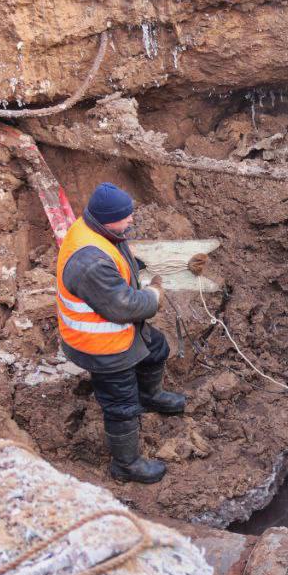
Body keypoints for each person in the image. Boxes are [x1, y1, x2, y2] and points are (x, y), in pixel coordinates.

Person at [55, 183, 185, 484]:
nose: (131, 221)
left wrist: (140, 266)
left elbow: (118, 258)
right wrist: (153, 296)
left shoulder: (98, 229)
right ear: (107, 218)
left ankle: (150, 396)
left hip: (118, 333)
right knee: (121, 405)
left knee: (158, 349)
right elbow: (124, 307)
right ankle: (126, 466)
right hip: (100, 346)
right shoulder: (89, 263)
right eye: (125, 217)